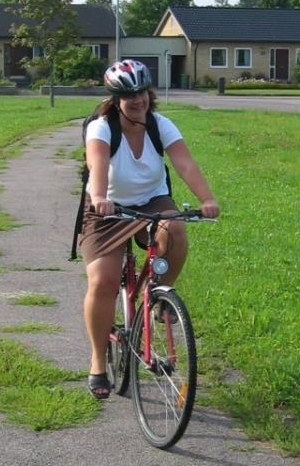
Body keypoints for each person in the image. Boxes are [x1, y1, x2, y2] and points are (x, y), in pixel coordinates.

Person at [80, 59, 219, 399]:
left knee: (176, 230)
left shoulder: (160, 125)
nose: (138, 99)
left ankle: (160, 299)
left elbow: (184, 163)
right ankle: (98, 361)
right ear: (116, 100)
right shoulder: (102, 127)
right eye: (128, 95)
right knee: (104, 281)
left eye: (142, 92)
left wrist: (206, 198)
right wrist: (99, 197)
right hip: (107, 207)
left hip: (152, 200)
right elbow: (96, 164)